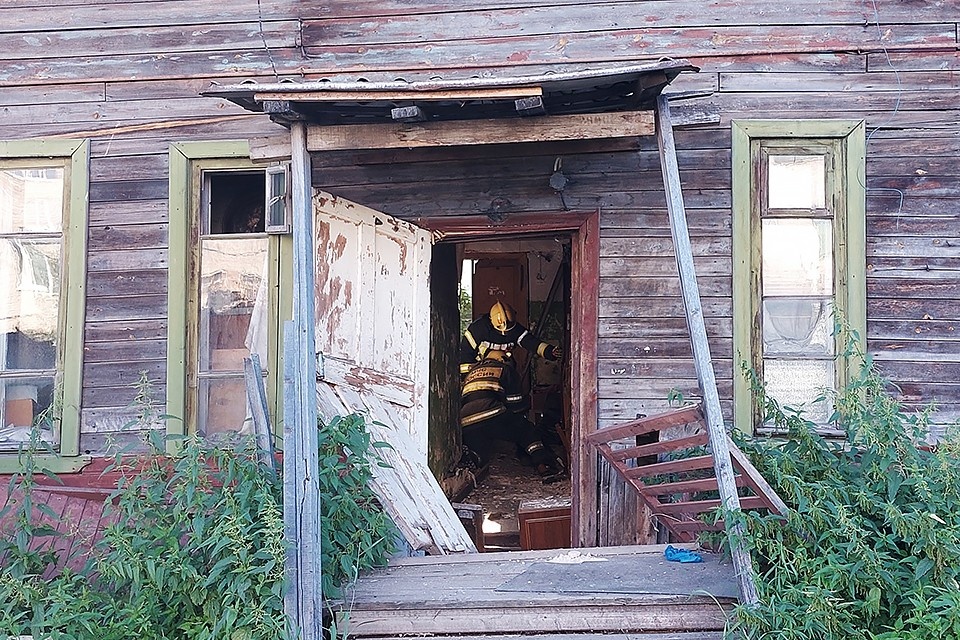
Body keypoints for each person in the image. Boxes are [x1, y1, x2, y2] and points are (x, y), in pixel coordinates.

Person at [459, 349, 565, 483]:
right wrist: (526, 404)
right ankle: (544, 465)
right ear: (503, 359)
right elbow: (515, 404)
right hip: (492, 412)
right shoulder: (504, 369)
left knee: (480, 453)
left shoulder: (471, 373)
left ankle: (474, 461)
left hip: (466, 421)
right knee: (526, 430)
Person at [459, 300, 562, 379]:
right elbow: (465, 352)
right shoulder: (478, 329)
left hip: (505, 367)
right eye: (500, 329)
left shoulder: (516, 330)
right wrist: (466, 376)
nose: (505, 332)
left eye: (509, 327)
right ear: (491, 320)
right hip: (479, 369)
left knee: (512, 382)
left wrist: (550, 351)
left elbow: (532, 343)